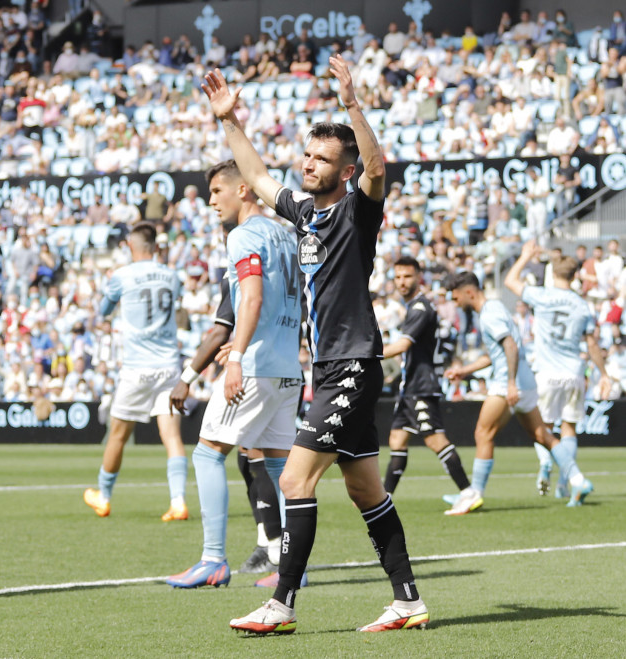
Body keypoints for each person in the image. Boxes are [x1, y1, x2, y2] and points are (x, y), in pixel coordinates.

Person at [202, 58, 427, 635]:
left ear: (345, 170)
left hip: (351, 366)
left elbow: (378, 166)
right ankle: (407, 600)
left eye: (323, 158)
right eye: (307, 154)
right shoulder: (303, 214)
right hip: (329, 370)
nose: (308, 163)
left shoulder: (358, 211)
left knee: (296, 482)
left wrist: (352, 103)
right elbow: (254, 172)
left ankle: (281, 605)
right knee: (363, 487)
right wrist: (230, 121)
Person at [165, 160, 301, 588]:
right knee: (281, 471)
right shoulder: (288, 235)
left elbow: (252, 299)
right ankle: (292, 570)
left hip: (257, 367)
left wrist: (237, 356)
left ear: (243, 190)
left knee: (207, 454)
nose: (210, 201)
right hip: (288, 369)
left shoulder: (243, 235)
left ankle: (212, 560)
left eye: (216, 192)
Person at [443, 271, 594, 517]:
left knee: (483, 433)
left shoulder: (489, 314)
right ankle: (578, 480)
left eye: (456, 296)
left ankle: (472, 494)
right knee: (542, 435)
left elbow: (510, 346)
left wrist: (511, 383)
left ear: (469, 292)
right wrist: (464, 371)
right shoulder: (495, 309)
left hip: (507, 384)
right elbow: (497, 353)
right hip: (526, 381)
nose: (455, 301)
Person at [83, 222, 187, 521]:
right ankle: (178, 501)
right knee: (172, 436)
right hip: (168, 366)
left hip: (137, 368)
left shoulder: (122, 276)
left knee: (117, 435)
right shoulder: (172, 276)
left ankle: (104, 496)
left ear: (130, 246)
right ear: (155, 246)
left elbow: (103, 311)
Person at [504, 241, 611, 500]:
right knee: (569, 429)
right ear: (575, 276)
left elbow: (510, 281)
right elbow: (592, 343)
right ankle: (566, 483)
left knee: (543, 430)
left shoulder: (543, 295)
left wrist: (525, 256)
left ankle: (546, 465)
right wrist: (604, 374)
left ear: (553, 273)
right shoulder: (582, 306)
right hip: (575, 372)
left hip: (547, 373)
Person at [381, 257, 471, 499]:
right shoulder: (413, 307)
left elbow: (401, 345)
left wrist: (366, 354)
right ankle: (384, 499)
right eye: (398, 277)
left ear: (419, 277)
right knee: (397, 439)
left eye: (407, 276)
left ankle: (468, 492)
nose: (402, 282)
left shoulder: (421, 308)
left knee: (435, 441)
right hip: (410, 385)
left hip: (421, 385)